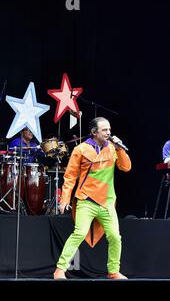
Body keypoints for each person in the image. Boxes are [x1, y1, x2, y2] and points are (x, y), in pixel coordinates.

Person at [53, 117, 131, 280]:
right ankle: (60, 269)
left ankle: (113, 271)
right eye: (104, 130)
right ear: (94, 132)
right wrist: (65, 198)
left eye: (109, 129)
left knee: (115, 236)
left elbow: (126, 167)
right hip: (86, 200)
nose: (108, 132)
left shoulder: (112, 148)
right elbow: (70, 176)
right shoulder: (81, 149)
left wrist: (120, 149)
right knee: (79, 233)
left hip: (107, 202)